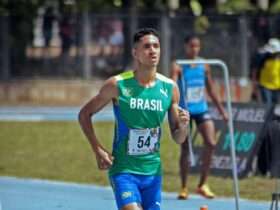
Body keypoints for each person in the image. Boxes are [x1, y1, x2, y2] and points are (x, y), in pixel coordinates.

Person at [79, 28, 190, 210]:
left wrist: (184, 126)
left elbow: (178, 138)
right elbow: (84, 114)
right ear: (135, 53)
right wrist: (97, 149)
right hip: (124, 171)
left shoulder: (170, 88)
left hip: (153, 173)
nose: (152, 50)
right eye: (147, 47)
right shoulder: (117, 84)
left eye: (156, 46)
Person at [170, 34, 228, 200]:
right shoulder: (179, 65)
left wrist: (222, 111)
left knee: (211, 142)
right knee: (186, 148)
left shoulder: (204, 65)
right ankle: (183, 187)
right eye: (192, 46)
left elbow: (211, 89)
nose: (194, 49)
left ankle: (203, 184)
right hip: (185, 111)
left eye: (197, 46)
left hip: (201, 109)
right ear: (186, 46)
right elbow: (172, 86)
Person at [251, 38, 280, 105]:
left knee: (277, 107)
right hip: (265, 86)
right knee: (267, 105)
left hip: (278, 87)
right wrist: (254, 86)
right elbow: (255, 71)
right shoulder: (262, 58)